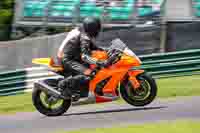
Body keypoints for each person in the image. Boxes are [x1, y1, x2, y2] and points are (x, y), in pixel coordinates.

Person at [56, 17, 108, 100]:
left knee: (94, 69)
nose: (98, 31)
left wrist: (108, 51)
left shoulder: (82, 34)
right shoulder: (84, 38)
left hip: (70, 58)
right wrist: (99, 62)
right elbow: (85, 56)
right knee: (90, 73)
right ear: (92, 29)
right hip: (68, 60)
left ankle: (82, 90)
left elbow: (95, 48)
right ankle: (63, 84)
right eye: (97, 29)